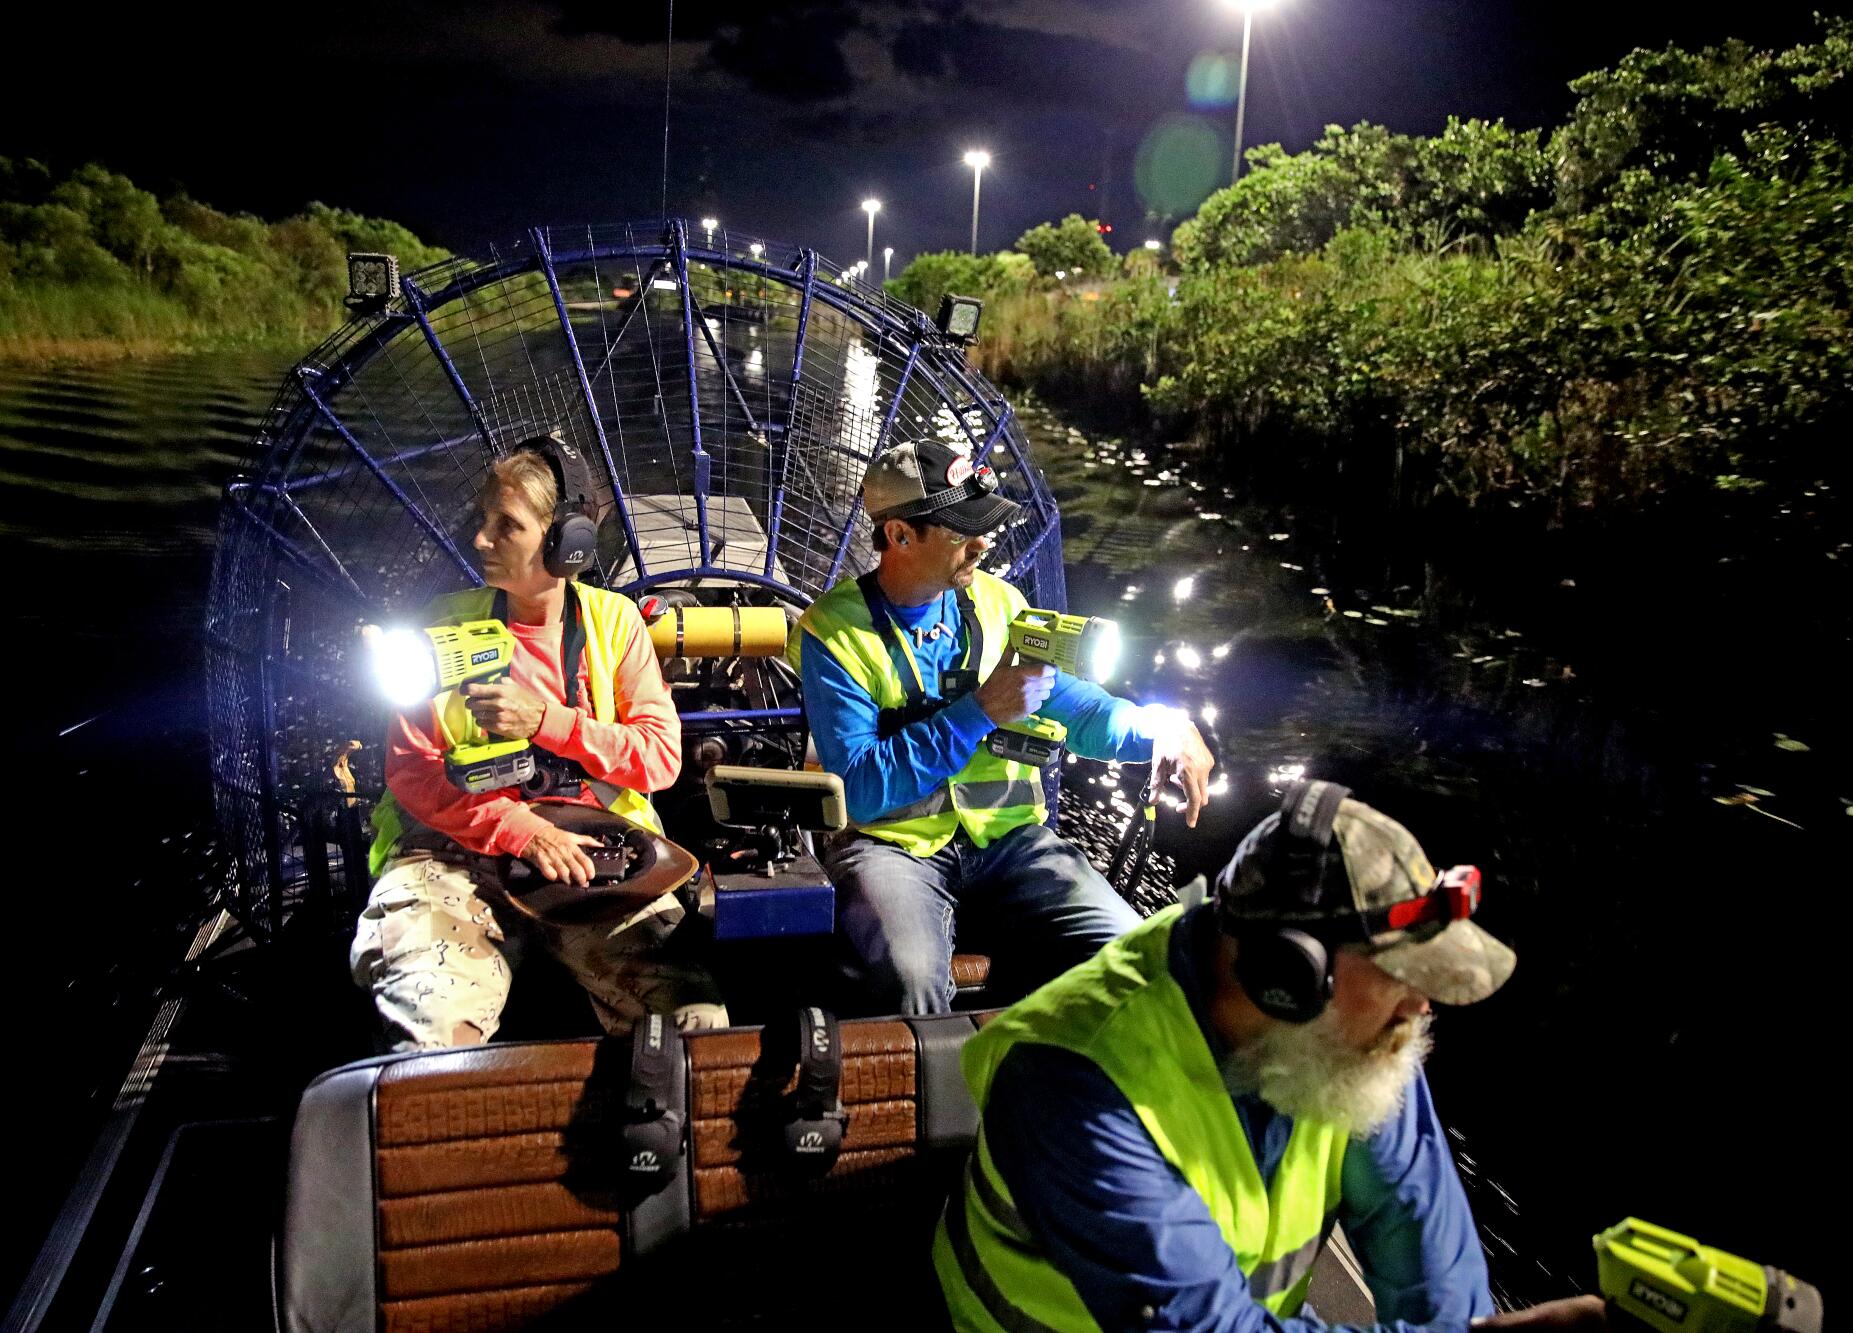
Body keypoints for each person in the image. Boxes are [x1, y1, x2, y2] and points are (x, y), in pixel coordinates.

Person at [934, 779, 1608, 1332]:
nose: (1422, 1005)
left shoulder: (1359, 1044)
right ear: (1289, 972)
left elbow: (1429, 1253)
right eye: (1404, 973)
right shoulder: (1075, 1085)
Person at [791, 438, 1214, 1015]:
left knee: (1131, 955)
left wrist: (1159, 728)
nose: (984, 543)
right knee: (908, 976)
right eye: (962, 530)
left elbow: (1074, 706)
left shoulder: (998, 603)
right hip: (892, 848)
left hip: (1009, 841)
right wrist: (978, 712)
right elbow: (860, 791)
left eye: (985, 524)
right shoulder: (832, 633)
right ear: (899, 536)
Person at [350, 438, 724, 1050]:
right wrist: (524, 831)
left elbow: (658, 758)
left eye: (507, 526)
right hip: (452, 853)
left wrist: (547, 721)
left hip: (593, 854)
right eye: (483, 522)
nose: (481, 540)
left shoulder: (615, 624)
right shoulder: (441, 626)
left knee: (696, 1024)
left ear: (566, 541)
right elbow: (414, 771)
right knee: (432, 1035)